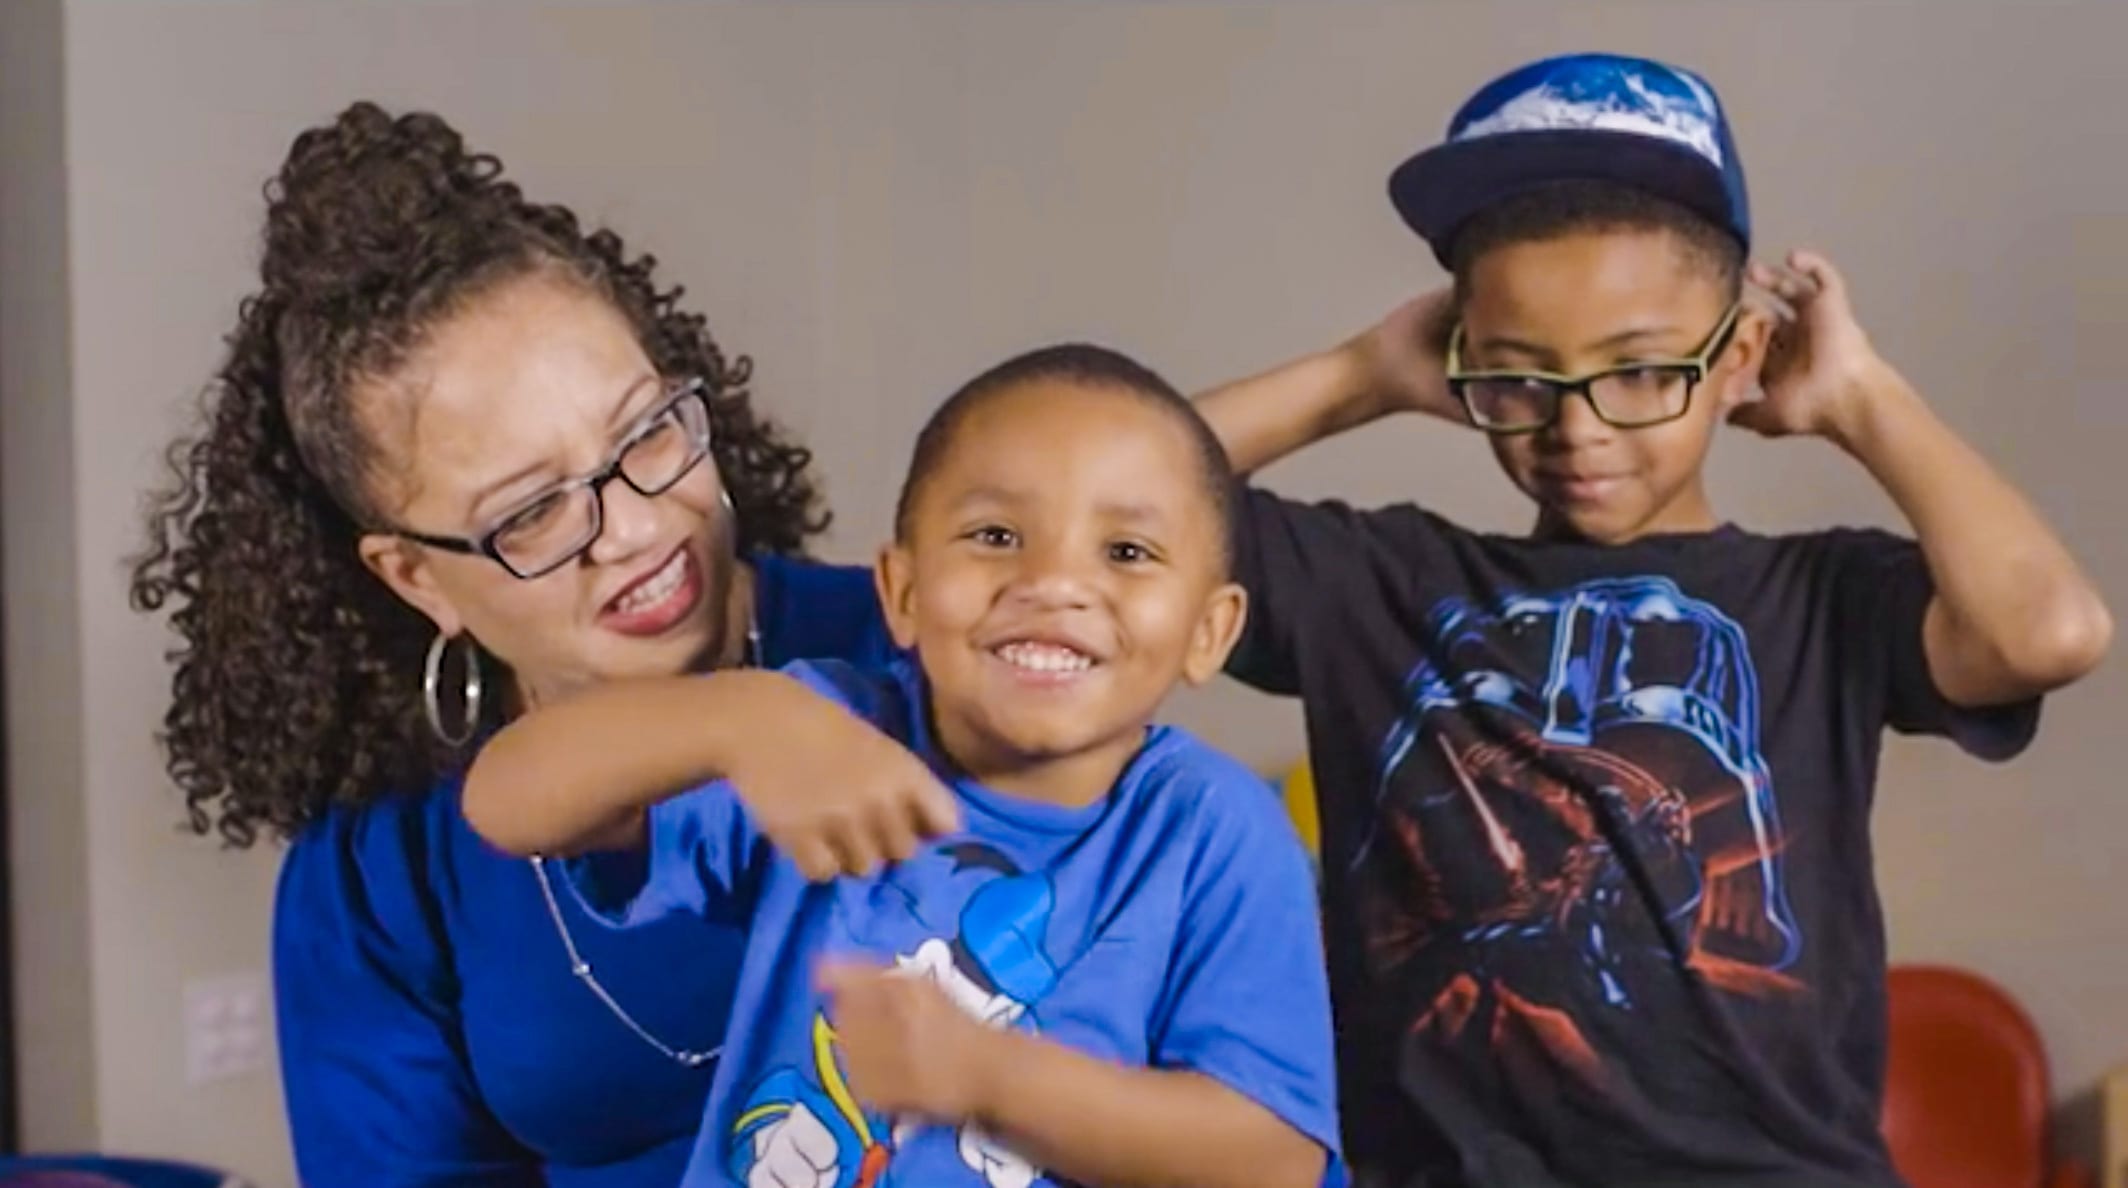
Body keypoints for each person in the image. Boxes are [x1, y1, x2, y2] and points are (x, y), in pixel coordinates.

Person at [1192, 52, 2113, 1188]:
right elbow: (1089, 503)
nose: (1576, 428)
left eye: (1637, 373)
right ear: (1457, 359)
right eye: (1520, 376)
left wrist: (1862, 399)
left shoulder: (1821, 599)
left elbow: (2048, 632)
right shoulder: (1377, 584)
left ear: (1736, 360)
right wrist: (1353, 377)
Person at [128, 103, 902, 1186]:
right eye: (532, 510)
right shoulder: (382, 875)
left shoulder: (912, 650)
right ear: (414, 577)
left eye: (644, 432)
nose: (636, 529)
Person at [462, 344, 1339, 1188]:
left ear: (1209, 633)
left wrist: (987, 1078)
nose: (1055, 583)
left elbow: (1273, 1160)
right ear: (904, 594)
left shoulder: (1213, 835)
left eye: (1126, 552)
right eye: (996, 535)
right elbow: (508, 804)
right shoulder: (824, 733)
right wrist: (737, 716)